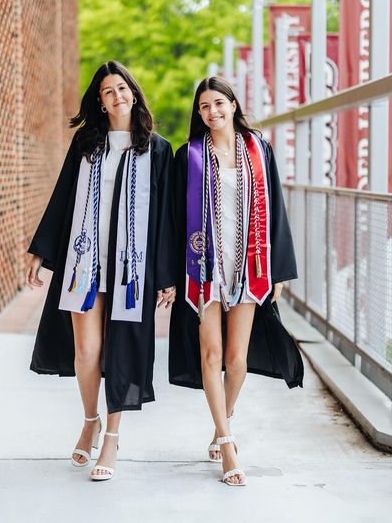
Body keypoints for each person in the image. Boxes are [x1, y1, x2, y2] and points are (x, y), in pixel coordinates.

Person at [26, 61, 175, 481]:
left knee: (121, 352)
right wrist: (41, 251)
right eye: (108, 91)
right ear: (100, 101)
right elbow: (62, 199)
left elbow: (166, 218)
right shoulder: (86, 143)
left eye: (122, 88)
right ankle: (89, 420)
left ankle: (110, 438)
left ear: (134, 92)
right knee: (87, 353)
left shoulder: (156, 149)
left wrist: (166, 275)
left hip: (133, 271)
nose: (117, 96)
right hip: (85, 263)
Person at [169, 76, 303, 487]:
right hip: (204, 268)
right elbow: (174, 218)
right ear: (199, 112)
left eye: (218, 103)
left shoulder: (258, 150)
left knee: (236, 360)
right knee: (211, 357)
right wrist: (171, 275)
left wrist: (278, 269)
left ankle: (221, 420)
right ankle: (227, 443)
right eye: (204, 106)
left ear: (232, 104)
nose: (212, 112)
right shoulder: (188, 156)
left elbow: (276, 207)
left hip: (248, 264)